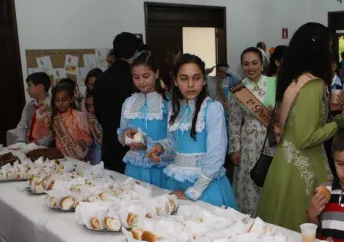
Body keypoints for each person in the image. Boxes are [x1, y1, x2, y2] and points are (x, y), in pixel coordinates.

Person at [256, 22, 344, 231]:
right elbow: (306, 138)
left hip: (285, 163)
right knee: (302, 231)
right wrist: (343, 120)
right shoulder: (314, 84)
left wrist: (329, 109)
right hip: (301, 169)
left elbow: (297, 121)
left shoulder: (295, 79)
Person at [148, 54, 238, 209]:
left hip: (205, 187)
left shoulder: (212, 108)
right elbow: (174, 144)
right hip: (176, 182)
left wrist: (194, 191)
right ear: (175, 81)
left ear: (204, 80)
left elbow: (216, 155)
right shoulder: (174, 107)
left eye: (196, 78)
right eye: (184, 79)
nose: (190, 84)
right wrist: (161, 147)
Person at [228, 47, 277, 216]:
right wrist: (235, 148)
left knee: (271, 179)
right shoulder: (237, 90)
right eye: (246, 64)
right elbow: (234, 121)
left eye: (255, 63)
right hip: (248, 141)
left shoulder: (274, 84)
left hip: (272, 140)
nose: (251, 67)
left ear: (262, 64)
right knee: (248, 182)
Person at [117, 51, 170, 186]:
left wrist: (149, 144)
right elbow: (121, 132)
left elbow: (175, 138)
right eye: (136, 77)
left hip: (159, 165)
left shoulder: (167, 102)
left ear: (156, 73)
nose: (141, 81)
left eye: (146, 76)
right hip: (134, 166)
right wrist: (125, 134)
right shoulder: (129, 102)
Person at [93, 32, 142, 173]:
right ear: (135, 52)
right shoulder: (135, 79)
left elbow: (98, 113)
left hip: (109, 144)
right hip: (132, 148)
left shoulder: (101, 79)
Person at [33, 82, 92, 160]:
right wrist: (41, 116)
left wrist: (84, 142)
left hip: (78, 158)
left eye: (64, 99)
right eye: (57, 100)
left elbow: (89, 138)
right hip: (61, 158)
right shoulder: (52, 117)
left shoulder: (79, 116)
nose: (60, 103)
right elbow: (37, 135)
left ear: (72, 99)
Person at [12, 72, 53, 146]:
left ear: (40, 87)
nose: (27, 89)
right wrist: (21, 141)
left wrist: (38, 143)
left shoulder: (53, 106)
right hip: (29, 146)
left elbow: (53, 133)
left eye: (29, 86)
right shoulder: (29, 105)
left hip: (47, 148)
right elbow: (22, 125)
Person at [84, 89, 102, 165]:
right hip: (94, 155)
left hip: (105, 155)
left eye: (94, 105)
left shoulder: (107, 119)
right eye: (89, 106)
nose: (92, 109)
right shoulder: (88, 118)